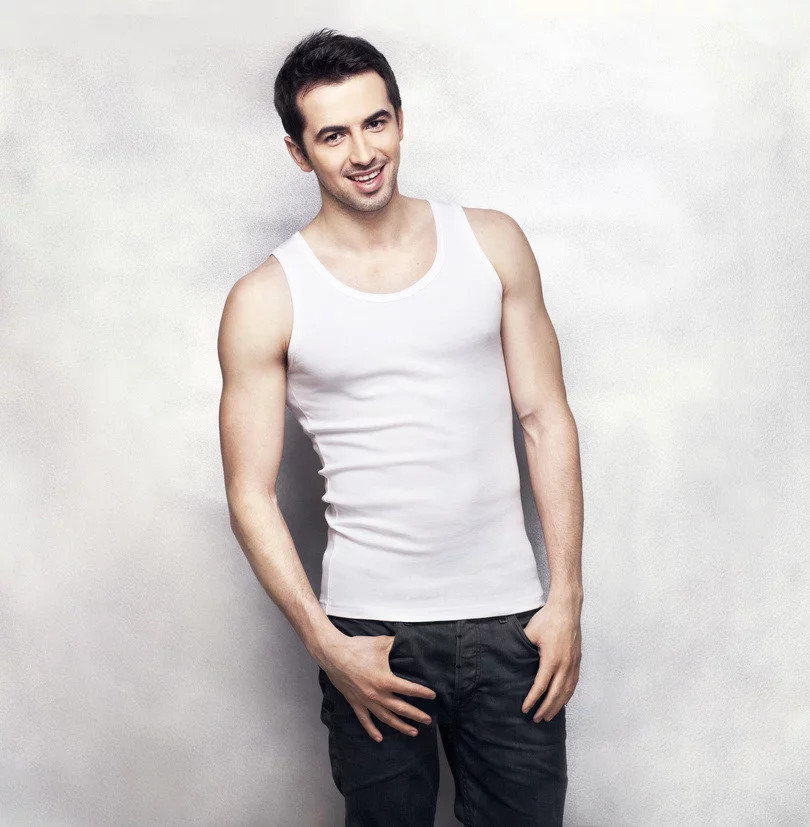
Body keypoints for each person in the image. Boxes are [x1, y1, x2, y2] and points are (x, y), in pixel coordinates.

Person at [218, 27, 583, 827]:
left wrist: (566, 598)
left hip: (511, 622)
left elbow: (545, 416)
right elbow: (249, 492)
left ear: (401, 121)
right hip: (370, 636)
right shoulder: (267, 298)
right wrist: (324, 641)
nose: (362, 153)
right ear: (297, 152)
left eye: (375, 122)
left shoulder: (491, 243)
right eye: (333, 135)